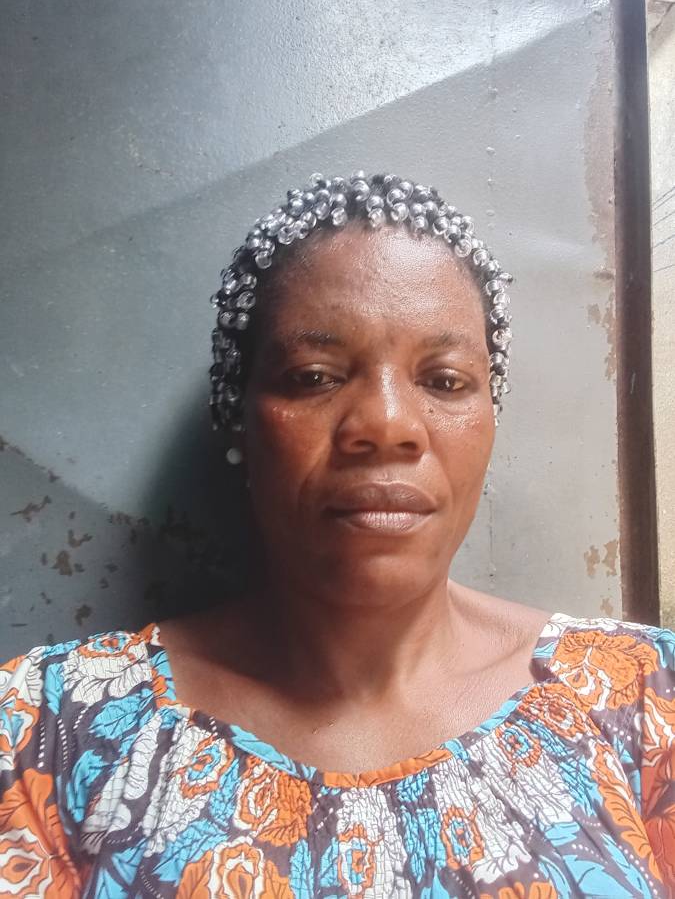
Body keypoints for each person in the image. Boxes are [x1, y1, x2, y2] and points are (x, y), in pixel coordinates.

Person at [1, 171, 673, 898]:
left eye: (444, 381)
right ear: (238, 416)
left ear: (489, 417)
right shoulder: (48, 734)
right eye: (315, 376)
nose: (386, 424)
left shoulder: (644, 701)